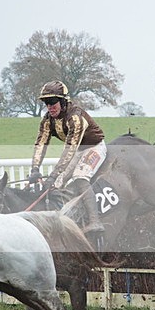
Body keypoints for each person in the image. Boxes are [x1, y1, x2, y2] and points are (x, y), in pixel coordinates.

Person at [29, 81, 107, 233]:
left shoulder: (75, 117)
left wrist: (54, 174)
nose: (49, 106)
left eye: (52, 102)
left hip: (94, 147)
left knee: (80, 176)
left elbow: (69, 150)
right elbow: (41, 143)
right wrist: (35, 169)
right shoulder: (47, 120)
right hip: (77, 151)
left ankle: (95, 221)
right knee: (56, 184)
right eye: (46, 102)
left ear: (63, 101)